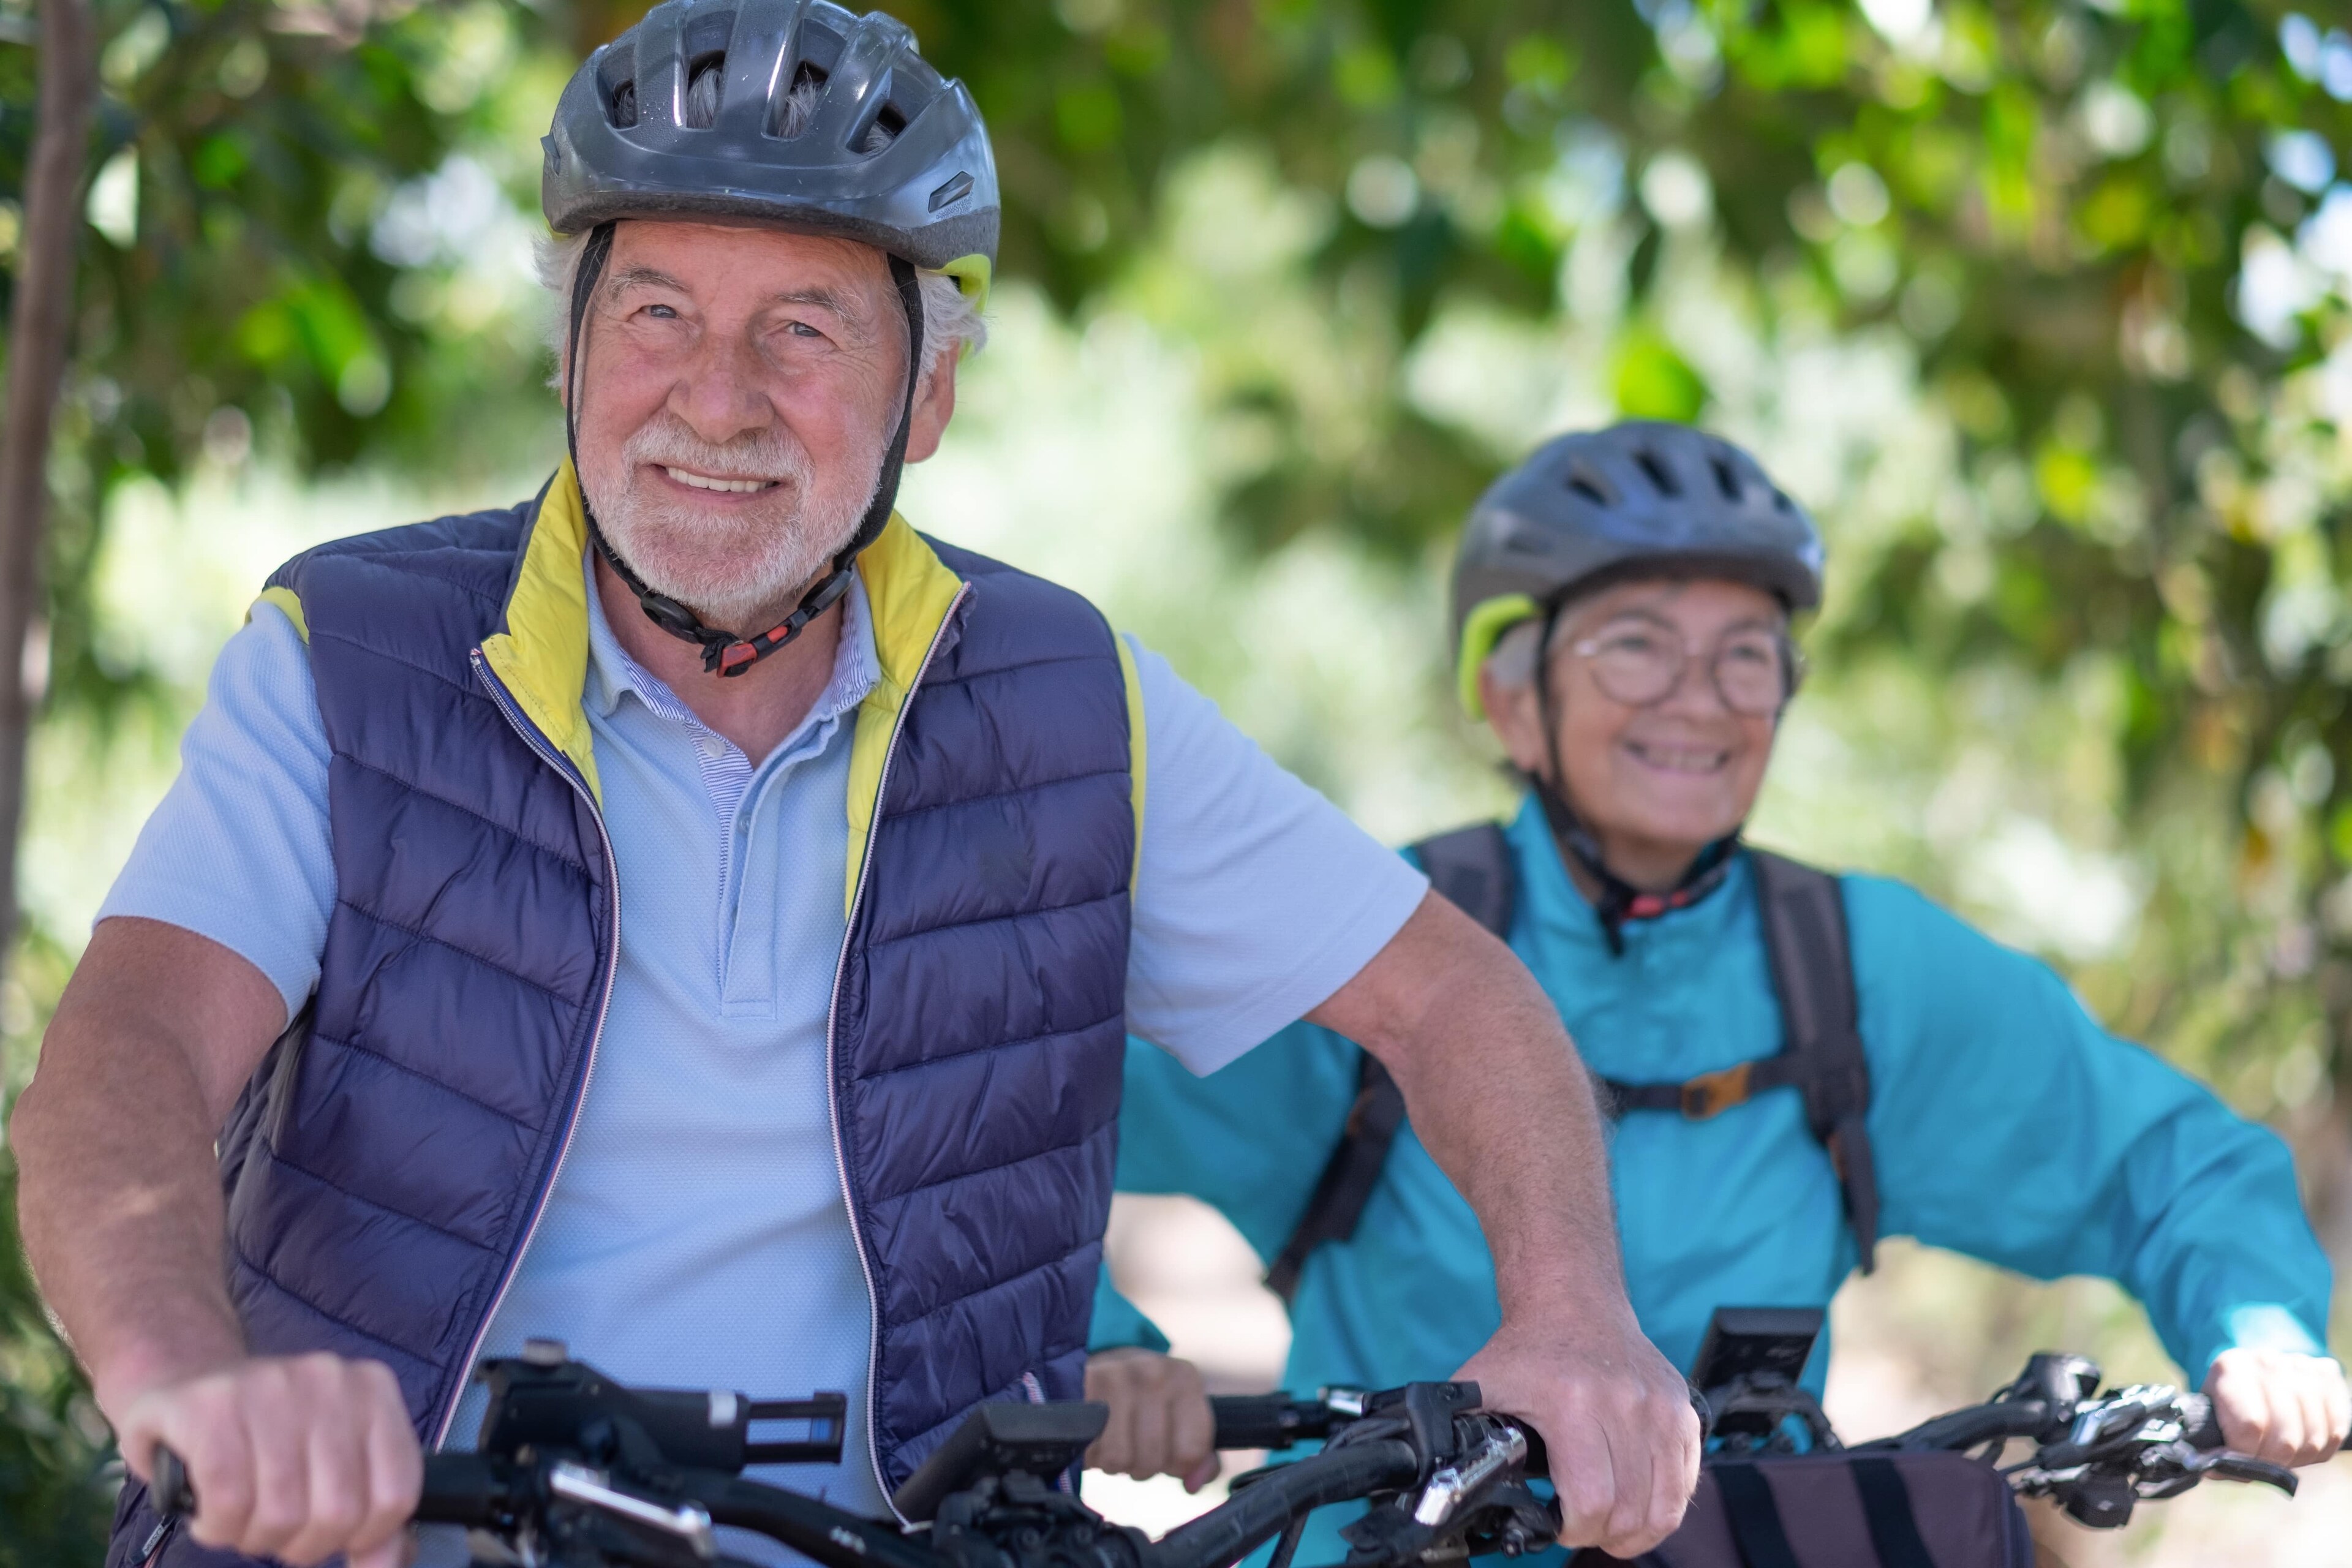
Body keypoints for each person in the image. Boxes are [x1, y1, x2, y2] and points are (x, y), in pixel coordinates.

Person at [8, 8, 1705, 1567]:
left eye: (801, 329)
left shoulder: (1063, 695)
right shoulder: (354, 653)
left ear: (932, 391)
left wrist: (1570, 1313)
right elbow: (132, 1053)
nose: (716, 398)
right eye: (658, 310)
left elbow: (1453, 997)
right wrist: (186, 1379)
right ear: (573, 346)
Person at [1086, 421, 2350, 1549]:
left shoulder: (1857, 967)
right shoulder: (1385, 946)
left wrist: (2265, 1336)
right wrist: (1105, 1348)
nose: (1700, 697)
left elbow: (2165, 1157)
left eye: (1748, 654)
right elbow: (1019, 1119)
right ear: (1512, 700)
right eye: (1637, 644)